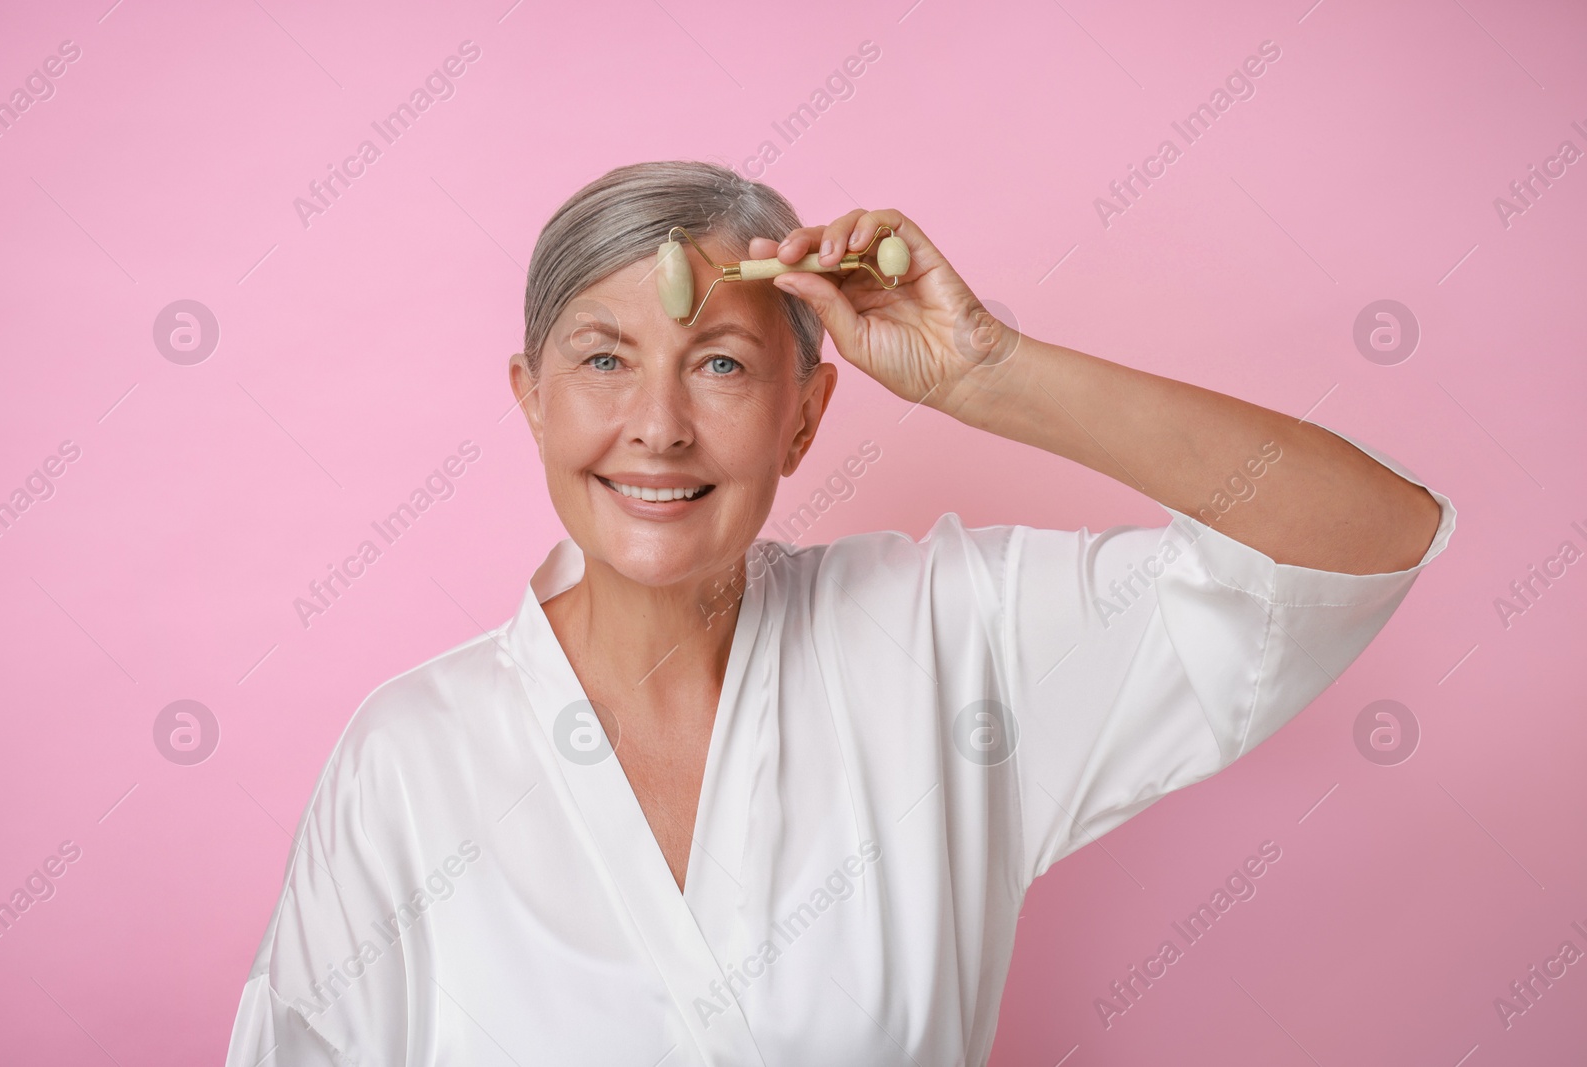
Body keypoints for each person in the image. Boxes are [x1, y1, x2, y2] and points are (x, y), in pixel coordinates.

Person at [224, 160, 1454, 1066]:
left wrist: (990, 371)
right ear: (530, 400)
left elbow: (1358, 538)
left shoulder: (946, 645)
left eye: (720, 363)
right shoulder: (407, 759)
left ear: (805, 415)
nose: (656, 423)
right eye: (603, 358)